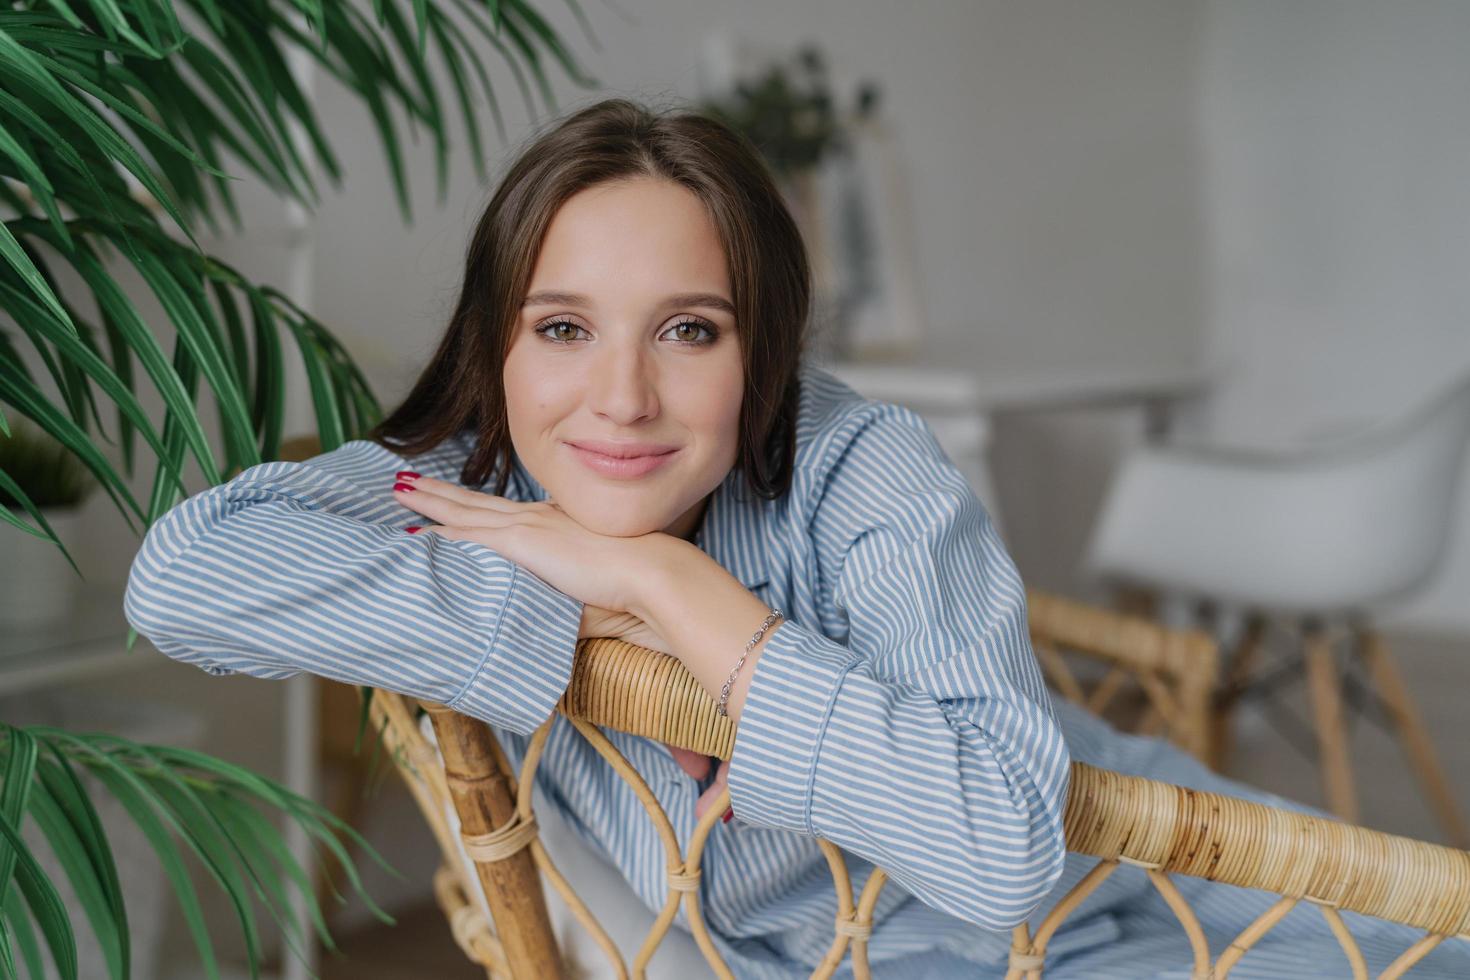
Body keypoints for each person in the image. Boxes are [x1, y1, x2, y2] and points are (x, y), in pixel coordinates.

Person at [124, 99, 1469, 979]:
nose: (621, 397)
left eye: (690, 330)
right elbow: (184, 577)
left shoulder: (857, 462)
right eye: (563, 326)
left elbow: (1002, 852)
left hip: (1143, 902)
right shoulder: (462, 475)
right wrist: (552, 604)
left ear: (760, 355)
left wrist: (668, 585)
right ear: (496, 347)